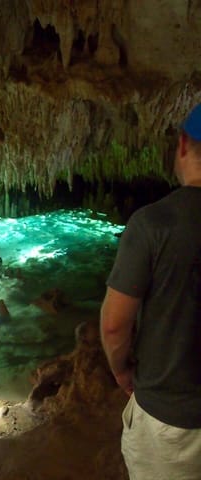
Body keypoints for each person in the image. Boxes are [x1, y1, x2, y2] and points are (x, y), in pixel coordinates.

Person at [100, 103, 201, 479]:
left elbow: (114, 326)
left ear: (182, 145)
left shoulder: (152, 224)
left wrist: (121, 370)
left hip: (169, 421)